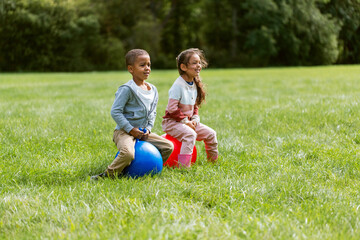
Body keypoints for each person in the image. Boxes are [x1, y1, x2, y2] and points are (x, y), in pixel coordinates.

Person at [91, 49, 174, 180]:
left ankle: (152, 169)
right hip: (124, 131)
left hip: (143, 132)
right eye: (142, 65)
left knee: (168, 146)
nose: (147, 68)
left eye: (149, 64)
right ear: (131, 69)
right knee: (128, 153)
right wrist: (130, 129)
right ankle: (107, 176)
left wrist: (148, 129)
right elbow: (115, 111)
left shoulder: (153, 90)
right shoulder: (127, 89)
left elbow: (153, 112)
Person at [162, 48, 218, 168]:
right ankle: (184, 167)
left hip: (187, 122)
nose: (198, 66)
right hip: (172, 123)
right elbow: (172, 109)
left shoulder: (194, 83)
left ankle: (213, 163)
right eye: (194, 63)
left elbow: (195, 106)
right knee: (190, 135)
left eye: (199, 62)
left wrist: (195, 119)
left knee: (211, 134)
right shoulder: (178, 86)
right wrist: (186, 122)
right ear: (183, 67)